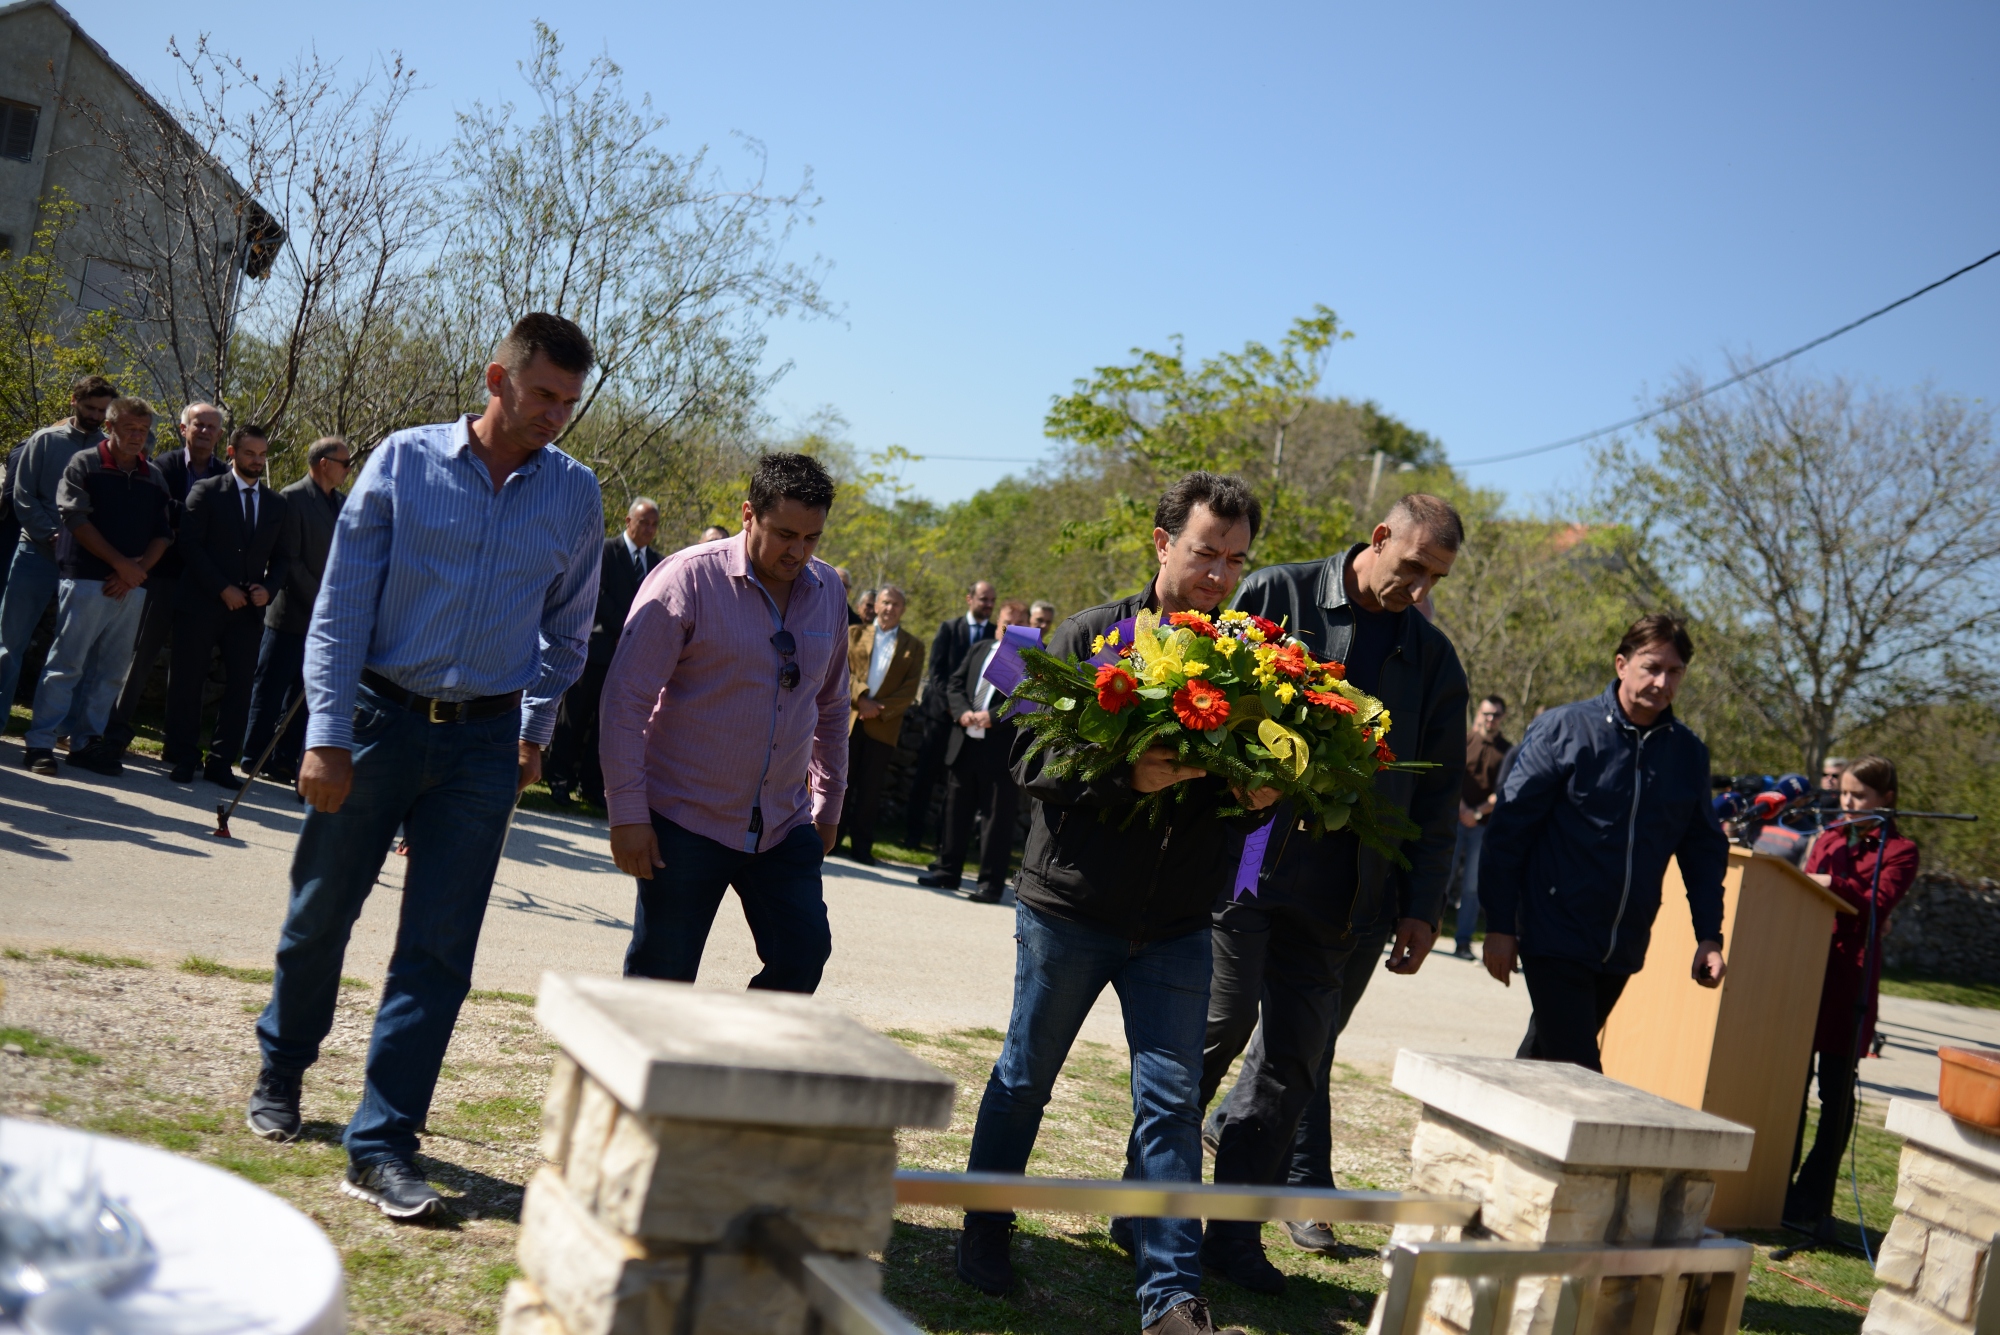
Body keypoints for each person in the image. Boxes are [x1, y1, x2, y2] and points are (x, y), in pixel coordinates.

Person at [246, 313, 603, 1223]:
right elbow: (339, 608)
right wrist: (325, 732)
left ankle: (383, 1143)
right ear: (498, 378)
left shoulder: (574, 495)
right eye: (542, 395)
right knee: (322, 908)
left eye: (570, 401)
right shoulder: (403, 462)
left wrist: (533, 726)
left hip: (484, 746)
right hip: (376, 721)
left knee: (439, 949)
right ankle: (284, 1064)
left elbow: (567, 633)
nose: (556, 415)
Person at [956, 472, 1275, 1335]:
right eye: (1206, 552)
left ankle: (1170, 1295)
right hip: (1069, 908)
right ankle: (984, 1225)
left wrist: (1261, 797)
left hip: (1177, 926)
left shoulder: (1250, 664)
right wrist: (1118, 773)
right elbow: (1027, 756)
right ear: (1162, 541)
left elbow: (1267, 777)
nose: (1218, 575)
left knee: (1171, 1101)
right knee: (1025, 1078)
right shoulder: (1090, 635)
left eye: (1235, 560)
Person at [1197, 494, 1469, 1293]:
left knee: (1292, 1065)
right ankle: (1149, 1207)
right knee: (1217, 1024)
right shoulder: (1275, 595)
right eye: (1412, 567)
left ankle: (1233, 1234)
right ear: (1379, 537)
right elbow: (1205, 711)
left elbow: (1437, 793)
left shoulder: (1436, 661)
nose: (1418, 589)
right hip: (1246, 864)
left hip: (1346, 896)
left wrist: (1423, 905)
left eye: (1436, 578)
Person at [601, 452, 849, 991]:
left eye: (812, 539)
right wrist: (627, 814)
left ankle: (738, 1067)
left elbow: (830, 706)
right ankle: (637, 1075)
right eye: (785, 534)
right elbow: (625, 700)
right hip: (685, 822)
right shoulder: (687, 579)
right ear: (747, 514)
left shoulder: (828, 590)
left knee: (802, 955)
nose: (798, 552)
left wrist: (828, 803)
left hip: (785, 824)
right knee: (659, 982)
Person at [1480, 614, 1730, 1071]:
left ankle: (1489, 1136)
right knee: (1579, 1070)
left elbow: (1703, 853)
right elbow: (1508, 832)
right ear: (1621, 664)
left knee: (1546, 1060)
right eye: (1651, 667)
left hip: (1623, 944)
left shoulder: (1688, 755)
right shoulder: (1563, 730)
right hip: (1553, 931)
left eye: (1674, 672)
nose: (1661, 681)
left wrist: (1709, 936)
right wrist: (1500, 924)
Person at [1786, 754, 1917, 1234]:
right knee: (1789, 1091)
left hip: (1850, 980)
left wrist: (1831, 883)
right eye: (1843, 793)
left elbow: (1875, 905)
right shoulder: (1828, 839)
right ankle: (1776, 1188)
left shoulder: (1900, 849)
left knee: (1835, 1096)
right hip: (1806, 973)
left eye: (1858, 795)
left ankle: (1809, 1200)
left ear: (1886, 799)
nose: (1847, 803)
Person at [20, 399, 172, 776]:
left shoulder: (153, 475)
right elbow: (74, 516)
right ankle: (40, 742)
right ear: (110, 427)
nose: (138, 436)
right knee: (67, 663)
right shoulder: (84, 464)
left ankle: (86, 742)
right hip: (86, 577)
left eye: (143, 429)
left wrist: (134, 572)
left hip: (132, 586)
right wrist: (121, 566)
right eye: (130, 428)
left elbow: (164, 533)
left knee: (111, 672)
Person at [164, 425, 290, 787]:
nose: (258, 461)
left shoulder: (276, 504)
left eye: (263, 454)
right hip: (201, 602)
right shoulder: (206, 491)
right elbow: (189, 545)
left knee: (240, 688)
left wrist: (268, 588)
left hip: (248, 612)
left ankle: (221, 762)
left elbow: (283, 558)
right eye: (250, 453)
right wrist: (222, 588)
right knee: (188, 681)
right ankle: (183, 755)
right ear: (232, 453)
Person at [104, 401, 230, 759]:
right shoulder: (162, 467)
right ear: (183, 428)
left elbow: (222, 527)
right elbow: (158, 515)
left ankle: (177, 747)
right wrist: (195, 523)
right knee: (139, 656)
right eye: (198, 424)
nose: (204, 431)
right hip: (159, 576)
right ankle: (113, 733)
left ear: (220, 435)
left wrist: (187, 521)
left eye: (211, 427)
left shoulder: (225, 475)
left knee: (191, 670)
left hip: (201, 583)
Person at [0, 375, 115, 715]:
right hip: (35, 553)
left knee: (74, 652)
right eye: (90, 407)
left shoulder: (108, 451)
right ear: (74, 401)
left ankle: (57, 731)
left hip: (82, 561)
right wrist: (51, 534)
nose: (96, 415)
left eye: (102, 410)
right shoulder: (45, 441)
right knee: (9, 644)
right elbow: (23, 497)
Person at [241, 437, 351, 784]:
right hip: (292, 614)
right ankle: (253, 755)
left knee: (304, 696)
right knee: (271, 688)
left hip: (324, 624)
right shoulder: (293, 498)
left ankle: (285, 759)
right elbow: (289, 560)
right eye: (344, 463)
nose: (348, 470)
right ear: (323, 463)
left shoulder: (344, 504)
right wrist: (324, 602)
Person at [546, 498, 662, 808]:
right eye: (643, 522)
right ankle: (559, 780)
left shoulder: (658, 562)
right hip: (596, 651)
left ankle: (592, 785)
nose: (648, 529)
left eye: (654, 524)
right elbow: (596, 594)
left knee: (607, 725)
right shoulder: (606, 551)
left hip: (627, 658)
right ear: (628, 521)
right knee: (575, 718)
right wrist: (624, 629)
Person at [920, 598, 1030, 902]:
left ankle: (990, 884)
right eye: (1005, 623)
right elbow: (954, 684)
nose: (1008, 629)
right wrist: (961, 712)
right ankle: (947, 871)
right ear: (997, 622)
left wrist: (991, 718)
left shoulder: (1029, 656)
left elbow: (1026, 700)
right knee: (955, 810)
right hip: (964, 741)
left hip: (998, 750)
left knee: (996, 820)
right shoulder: (980, 648)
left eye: (1016, 624)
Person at [907, 580, 996, 848]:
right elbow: (936, 672)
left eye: (992, 600)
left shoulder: (995, 633)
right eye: (983, 599)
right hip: (941, 716)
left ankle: (942, 843)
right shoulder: (949, 628)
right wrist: (954, 707)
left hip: (971, 722)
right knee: (926, 776)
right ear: (969, 598)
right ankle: (912, 836)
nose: (988, 605)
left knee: (956, 785)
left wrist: (969, 713)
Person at [839, 584, 923, 866]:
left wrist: (877, 709)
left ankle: (862, 847)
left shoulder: (914, 646)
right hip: (850, 721)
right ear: (875, 606)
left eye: (896, 604)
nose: (890, 608)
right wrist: (861, 698)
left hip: (882, 726)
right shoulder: (854, 634)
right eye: (885, 602)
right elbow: (839, 671)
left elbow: (909, 690)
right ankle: (831, 840)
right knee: (840, 784)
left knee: (871, 790)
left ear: (903, 610)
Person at [1450, 695, 1512, 958]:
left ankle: (1463, 942)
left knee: (1472, 887)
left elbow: (1505, 790)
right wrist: (1462, 808)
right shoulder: (1464, 741)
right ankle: (1424, 930)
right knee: (1442, 876)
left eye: (1496, 715)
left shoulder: (1508, 751)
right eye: (1487, 713)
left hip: (1482, 826)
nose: (1491, 719)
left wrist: (1476, 813)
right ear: (1479, 714)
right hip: (1453, 820)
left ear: (1502, 718)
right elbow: (1451, 776)